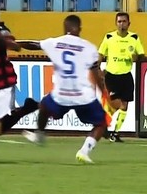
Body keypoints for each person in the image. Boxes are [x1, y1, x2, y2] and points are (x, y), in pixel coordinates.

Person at [17, 15, 108, 164]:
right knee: (101, 123)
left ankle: (39, 135)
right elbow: (96, 73)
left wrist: (15, 43)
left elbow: (33, 44)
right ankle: (84, 151)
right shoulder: (89, 47)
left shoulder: (55, 42)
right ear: (79, 28)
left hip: (61, 94)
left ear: (65, 28)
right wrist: (102, 91)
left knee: (44, 106)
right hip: (83, 95)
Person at [0, 2, 39, 136]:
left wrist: (5, 42)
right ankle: (27, 107)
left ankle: (28, 107)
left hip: (4, 85)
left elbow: (14, 45)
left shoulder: (1, 30)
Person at [98, 12, 145, 143]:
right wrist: (98, 68)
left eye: (124, 21)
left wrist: (136, 57)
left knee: (125, 105)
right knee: (115, 104)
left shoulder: (134, 38)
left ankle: (115, 133)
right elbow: (101, 53)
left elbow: (141, 54)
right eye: (119, 21)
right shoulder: (109, 37)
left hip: (126, 75)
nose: (121, 24)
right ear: (116, 23)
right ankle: (102, 123)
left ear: (129, 24)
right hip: (111, 76)